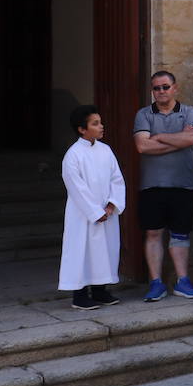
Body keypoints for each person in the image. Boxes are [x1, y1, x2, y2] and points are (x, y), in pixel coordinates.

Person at [133, 71, 193, 301]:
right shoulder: (143, 114)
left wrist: (159, 137)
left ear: (175, 88)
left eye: (165, 87)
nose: (161, 92)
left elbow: (192, 139)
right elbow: (142, 147)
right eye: (156, 88)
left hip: (183, 184)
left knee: (180, 233)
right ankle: (156, 282)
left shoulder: (189, 112)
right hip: (152, 185)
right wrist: (177, 140)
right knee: (153, 233)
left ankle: (183, 281)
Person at [59, 105, 126, 311]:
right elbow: (75, 186)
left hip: (107, 212)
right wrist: (95, 212)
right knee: (82, 251)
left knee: (105, 250)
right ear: (82, 129)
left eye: (100, 122)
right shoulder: (73, 155)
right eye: (95, 123)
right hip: (83, 215)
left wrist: (112, 204)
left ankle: (100, 290)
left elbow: (117, 179)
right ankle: (79, 295)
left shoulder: (105, 150)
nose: (101, 126)